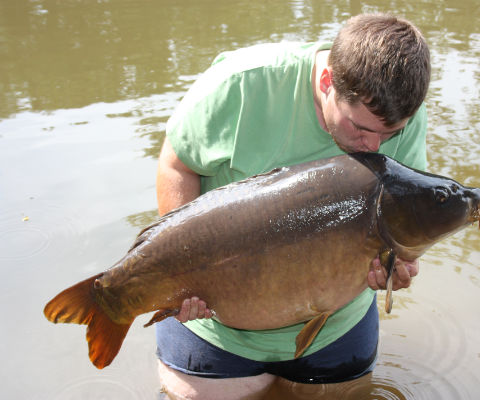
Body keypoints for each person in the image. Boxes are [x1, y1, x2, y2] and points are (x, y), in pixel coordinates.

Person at [155, 13, 430, 400]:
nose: (375, 147)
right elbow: (175, 165)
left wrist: (394, 269)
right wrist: (180, 271)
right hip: (218, 321)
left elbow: (401, 219)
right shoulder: (243, 84)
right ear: (326, 81)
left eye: (391, 134)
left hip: (333, 325)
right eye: (360, 128)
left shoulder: (400, 115)